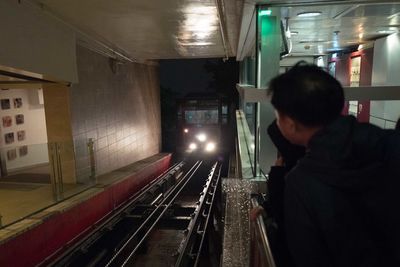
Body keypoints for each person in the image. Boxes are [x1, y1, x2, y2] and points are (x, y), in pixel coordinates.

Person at [267, 62, 400, 267]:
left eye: (278, 116)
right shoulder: (390, 141)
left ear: (290, 124)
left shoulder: (302, 183)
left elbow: (309, 257)